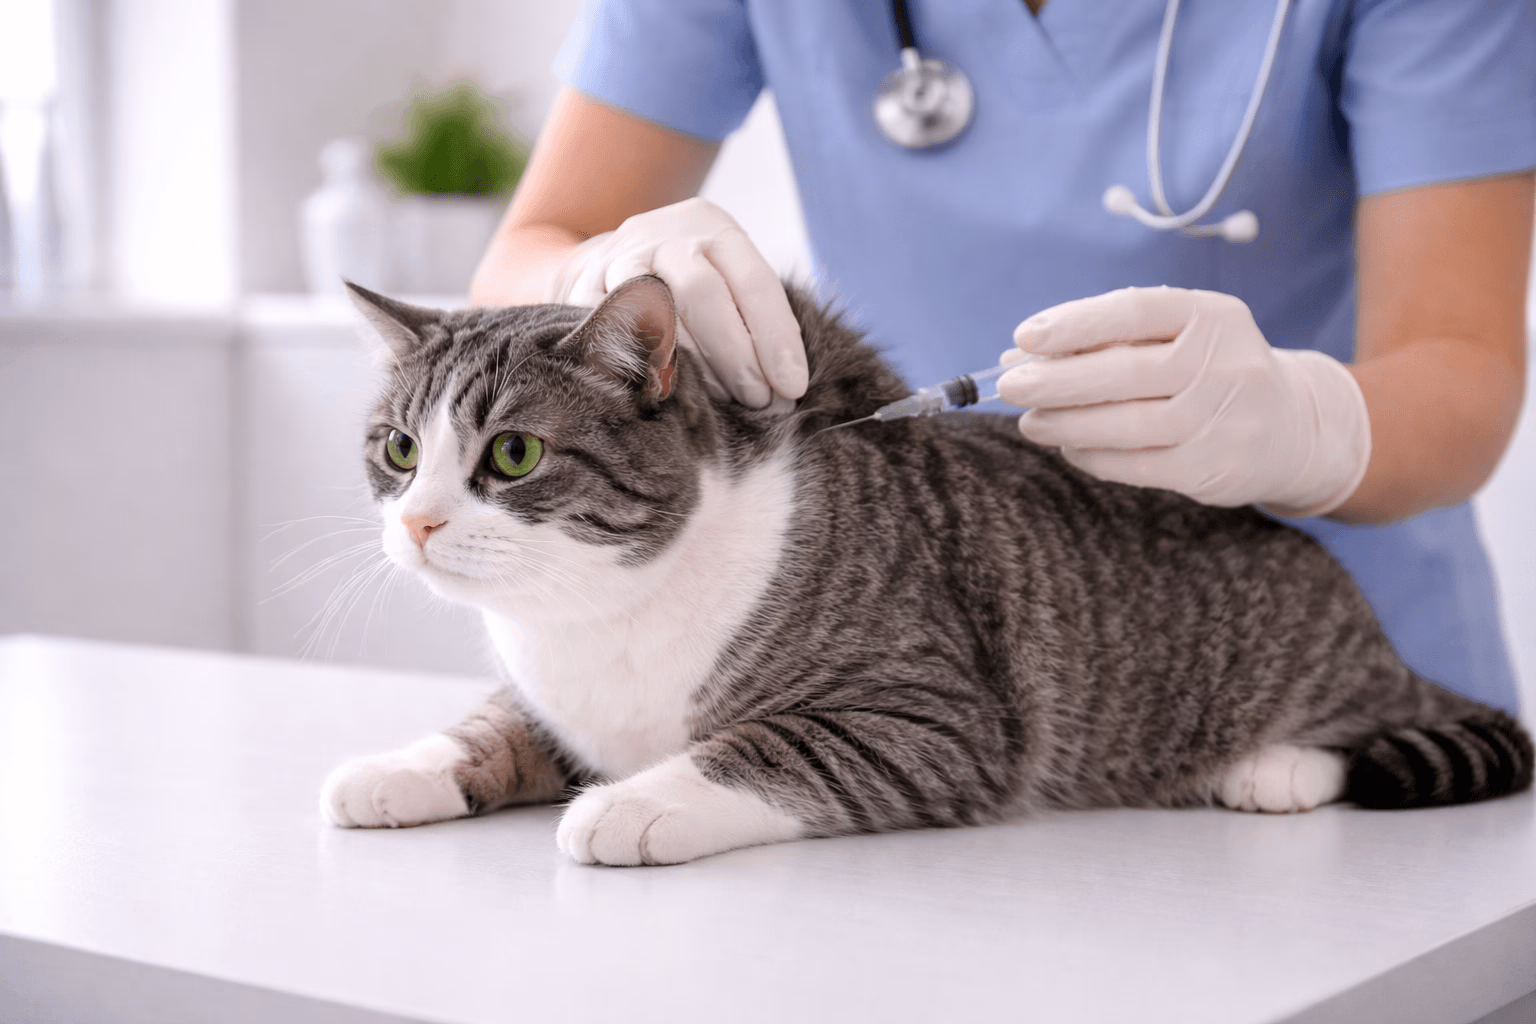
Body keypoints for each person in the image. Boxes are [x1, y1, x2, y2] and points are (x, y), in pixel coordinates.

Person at [471, 0, 1535, 713]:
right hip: (915, 667)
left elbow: (1460, 365)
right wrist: (593, 279)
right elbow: (524, 252)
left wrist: (1309, 427)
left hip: (1323, 675)